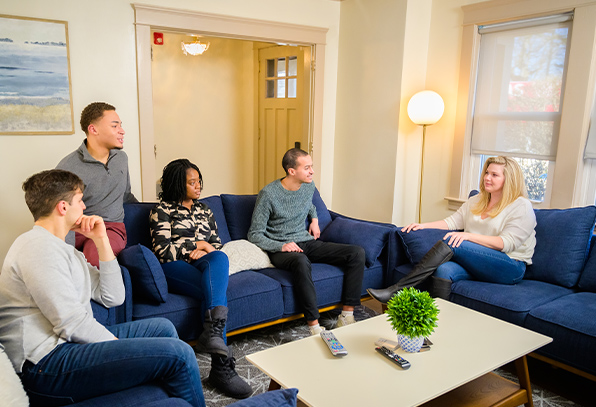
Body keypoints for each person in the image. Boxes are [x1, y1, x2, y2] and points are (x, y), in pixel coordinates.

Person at [0, 169, 205, 406]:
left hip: (66, 346)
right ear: (63, 207)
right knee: (180, 354)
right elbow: (71, 323)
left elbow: (113, 296)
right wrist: (123, 352)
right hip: (44, 364)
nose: (84, 207)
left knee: (163, 328)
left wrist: (101, 240)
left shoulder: (66, 251)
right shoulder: (37, 248)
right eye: (80, 200)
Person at [368, 156, 537, 303]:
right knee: (444, 270)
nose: (487, 178)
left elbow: (506, 243)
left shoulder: (521, 206)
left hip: (510, 267)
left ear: (509, 180)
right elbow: (452, 222)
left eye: (494, 175)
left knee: (453, 240)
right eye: (487, 172)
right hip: (478, 262)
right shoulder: (477, 200)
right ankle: (436, 326)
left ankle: (397, 289)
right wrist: (423, 225)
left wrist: (468, 237)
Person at [149, 159, 253, 400]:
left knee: (220, 259)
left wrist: (206, 247)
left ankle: (214, 342)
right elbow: (163, 252)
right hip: (174, 267)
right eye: (192, 182)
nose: (199, 186)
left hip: (204, 263)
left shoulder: (205, 209)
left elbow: (216, 245)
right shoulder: (161, 211)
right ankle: (222, 368)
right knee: (216, 292)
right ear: (177, 184)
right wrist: (195, 245)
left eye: (199, 181)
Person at [248, 148, 366, 335]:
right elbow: (254, 234)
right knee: (301, 261)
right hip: (281, 249)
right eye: (307, 167)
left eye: (311, 166)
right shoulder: (268, 194)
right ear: (291, 171)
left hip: (306, 241)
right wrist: (281, 245)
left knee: (356, 253)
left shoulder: (308, 185)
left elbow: (308, 204)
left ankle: (347, 316)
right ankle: (314, 326)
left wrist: (315, 220)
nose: (312, 171)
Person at [56, 102, 138, 268]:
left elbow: (126, 196)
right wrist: (65, 252)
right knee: (58, 260)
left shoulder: (121, 159)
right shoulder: (68, 167)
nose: (122, 131)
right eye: (115, 126)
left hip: (110, 228)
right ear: (93, 129)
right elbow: (61, 214)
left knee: (93, 259)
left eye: (121, 125)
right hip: (76, 227)